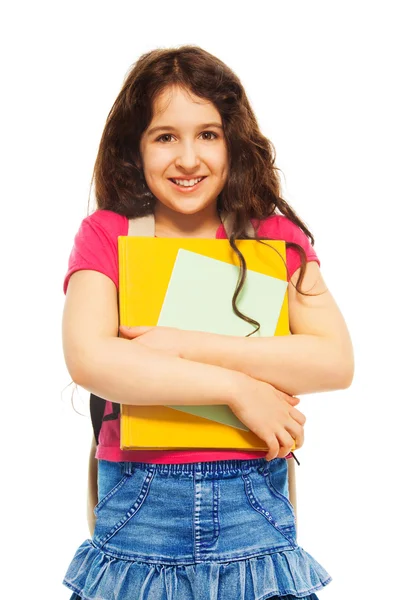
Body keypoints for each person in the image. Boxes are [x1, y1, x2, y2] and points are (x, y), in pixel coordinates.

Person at [61, 45, 354, 600]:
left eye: (208, 134)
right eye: (165, 136)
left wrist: (181, 344)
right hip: (141, 508)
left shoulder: (270, 237)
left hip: (255, 508)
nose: (188, 158)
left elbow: (334, 361)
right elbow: (92, 360)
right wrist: (237, 388)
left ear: (234, 142)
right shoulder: (110, 234)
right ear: (135, 147)